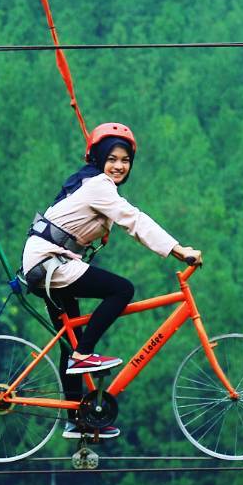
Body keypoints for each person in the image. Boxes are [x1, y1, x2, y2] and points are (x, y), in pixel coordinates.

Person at [21, 122, 202, 439]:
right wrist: (178, 249)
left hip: (46, 263)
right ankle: (83, 355)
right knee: (121, 290)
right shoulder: (98, 185)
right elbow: (135, 220)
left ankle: (76, 419)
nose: (119, 166)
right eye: (112, 158)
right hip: (50, 263)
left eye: (125, 160)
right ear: (99, 158)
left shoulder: (92, 182)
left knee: (71, 337)